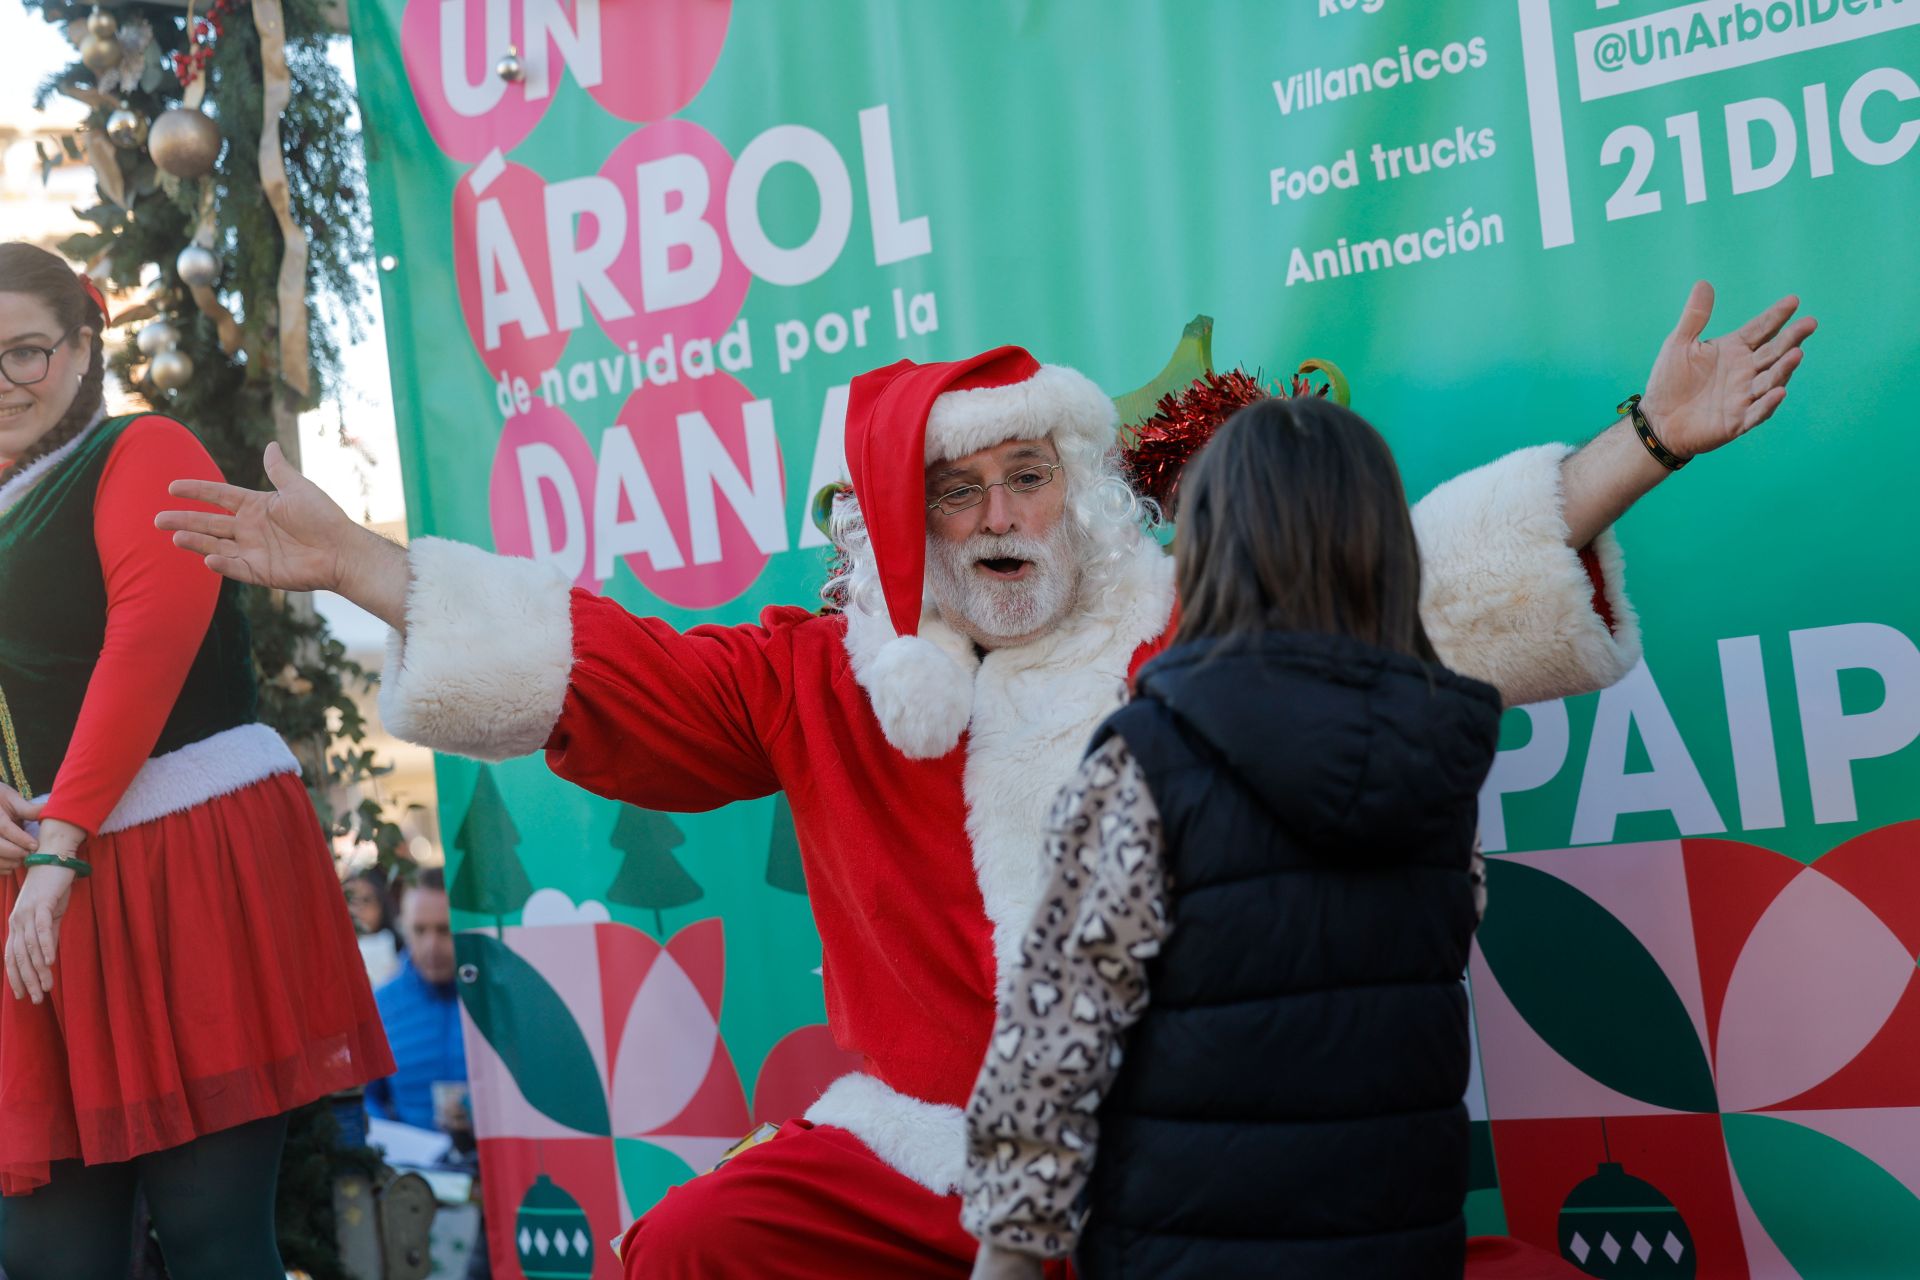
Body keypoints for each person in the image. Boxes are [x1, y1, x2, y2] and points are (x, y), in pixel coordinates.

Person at [156, 282, 1813, 1278]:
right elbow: (612, 667)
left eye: (1033, 476)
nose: (1009, 515)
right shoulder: (827, 678)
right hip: (918, 1154)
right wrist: (371, 566)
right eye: (966, 493)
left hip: (1183, 1156)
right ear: (898, 524)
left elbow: (1423, 586)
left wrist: (1638, 452)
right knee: (693, 1249)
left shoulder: (1191, 623)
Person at [962, 394, 1501, 1278]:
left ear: (1209, 551)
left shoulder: (1146, 757)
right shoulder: (1443, 760)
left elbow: (1056, 1044)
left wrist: (1010, 1257)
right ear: (1385, 549)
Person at [0, 243, 394, 1280]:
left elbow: (147, 645)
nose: (2, 381)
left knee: (214, 1236)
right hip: (47, 891)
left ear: (85, 349)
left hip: (184, 865)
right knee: (50, 1257)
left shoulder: (144, 448)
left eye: (26, 352)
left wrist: (55, 848)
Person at [366, 867, 470, 1138]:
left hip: (495, 1169)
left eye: (445, 930)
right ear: (403, 927)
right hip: (413, 1172)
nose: (431, 945)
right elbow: (364, 1098)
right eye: (420, 930)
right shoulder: (381, 1006)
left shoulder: (498, 1001)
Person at [345, 865, 405, 987]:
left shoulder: (399, 950)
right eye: (351, 900)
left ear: (381, 905)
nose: (358, 909)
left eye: (366, 900)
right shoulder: (340, 951)